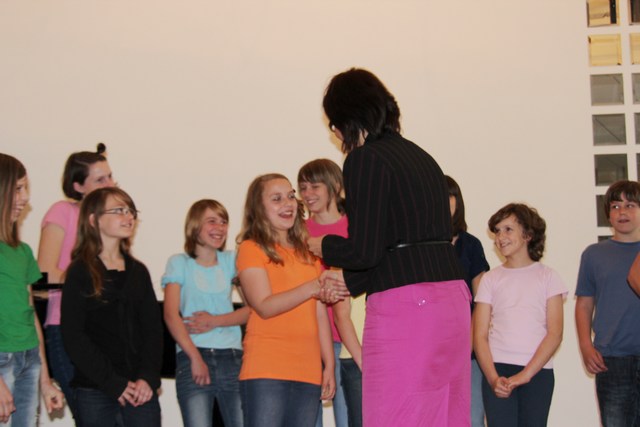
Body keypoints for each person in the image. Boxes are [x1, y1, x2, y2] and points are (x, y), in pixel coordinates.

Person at [308, 68, 471, 427]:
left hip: (410, 309)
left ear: (347, 118)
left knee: (394, 417)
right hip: (453, 302)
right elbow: (399, 246)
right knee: (445, 417)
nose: (337, 134)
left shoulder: (365, 159)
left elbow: (365, 251)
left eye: (334, 125)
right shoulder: (423, 157)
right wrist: (350, 282)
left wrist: (323, 245)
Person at [236, 173, 335, 427]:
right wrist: (313, 286)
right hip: (266, 369)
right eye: (277, 198)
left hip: (308, 370)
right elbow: (264, 306)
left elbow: (320, 314)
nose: (288, 203)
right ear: (259, 208)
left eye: (291, 196)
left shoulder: (308, 254)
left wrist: (329, 364)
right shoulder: (251, 248)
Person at [61, 187, 162, 427]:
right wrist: (113, 383)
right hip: (95, 388)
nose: (128, 217)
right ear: (94, 220)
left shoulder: (138, 271)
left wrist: (147, 377)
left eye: (131, 211)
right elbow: (74, 335)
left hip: (140, 389)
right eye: (118, 211)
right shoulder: (80, 271)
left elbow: (153, 331)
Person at [37, 143, 114, 418]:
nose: (110, 184)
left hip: (103, 328)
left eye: (110, 177)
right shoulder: (63, 212)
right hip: (66, 326)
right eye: (100, 179)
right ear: (78, 186)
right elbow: (45, 274)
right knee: (88, 415)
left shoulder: (109, 219)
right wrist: (88, 278)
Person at [474, 203, 566, 427]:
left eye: (508, 229)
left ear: (528, 234)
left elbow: (555, 333)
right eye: (497, 231)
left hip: (537, 372)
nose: (500, 237)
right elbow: (479, 336)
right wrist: (493, 378)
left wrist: (526, 374)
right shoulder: (491, 279)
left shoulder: (548, 277)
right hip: (498, 370)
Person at [162, 199, 249, 427]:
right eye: (212, 221)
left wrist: (214, 321)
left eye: (223, 222)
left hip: (232, 357)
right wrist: (194, 358)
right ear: (194, 225)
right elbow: (170, 315)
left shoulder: (231, 261)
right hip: (193, 356)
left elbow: (252, 310)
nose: (220, 228)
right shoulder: (179, 263)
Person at [0, 153, 64, 426]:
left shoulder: (22, 251)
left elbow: (30, 314)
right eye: (17, 189)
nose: (25, 197)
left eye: (25, 188)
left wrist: (45, 381)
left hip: (28, 358)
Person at [575, 180, 640, 426]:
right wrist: (585, 345)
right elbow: (584, 304)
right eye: (615, 206)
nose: (622, 212)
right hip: (611, 358)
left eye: (630, 205)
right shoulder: (594, 254)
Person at [297, 159, 352, 427]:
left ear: (335, 186)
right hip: (309, 339)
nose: (307, 194)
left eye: (314, 186)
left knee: (348, 418)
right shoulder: (298, 232)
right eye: (303, 188)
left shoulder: (356, 228)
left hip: (348, 340)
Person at [445, 175, 490, 427]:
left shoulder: (471, 245)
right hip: (432, 351)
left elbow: (481, 303)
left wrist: (469, 344)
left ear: (457, 201)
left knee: (471, 418)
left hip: (469, 351)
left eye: (447, 196)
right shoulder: (422, 247)